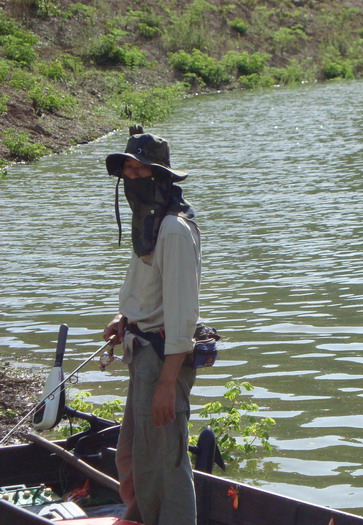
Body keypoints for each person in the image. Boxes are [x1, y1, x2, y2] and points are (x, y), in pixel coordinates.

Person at [102, 126, 201, 525]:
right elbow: (152, 288)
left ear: (160, 176)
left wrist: (165, 384)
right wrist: (126, 318)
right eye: (128, 171)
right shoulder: (150, 223)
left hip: (163, 360)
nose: (132, 179)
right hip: (142, 351)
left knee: (166, 467)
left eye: (142, 172)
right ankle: (141, 517)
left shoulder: (173, 230)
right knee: (134, 458)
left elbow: (182, 315)